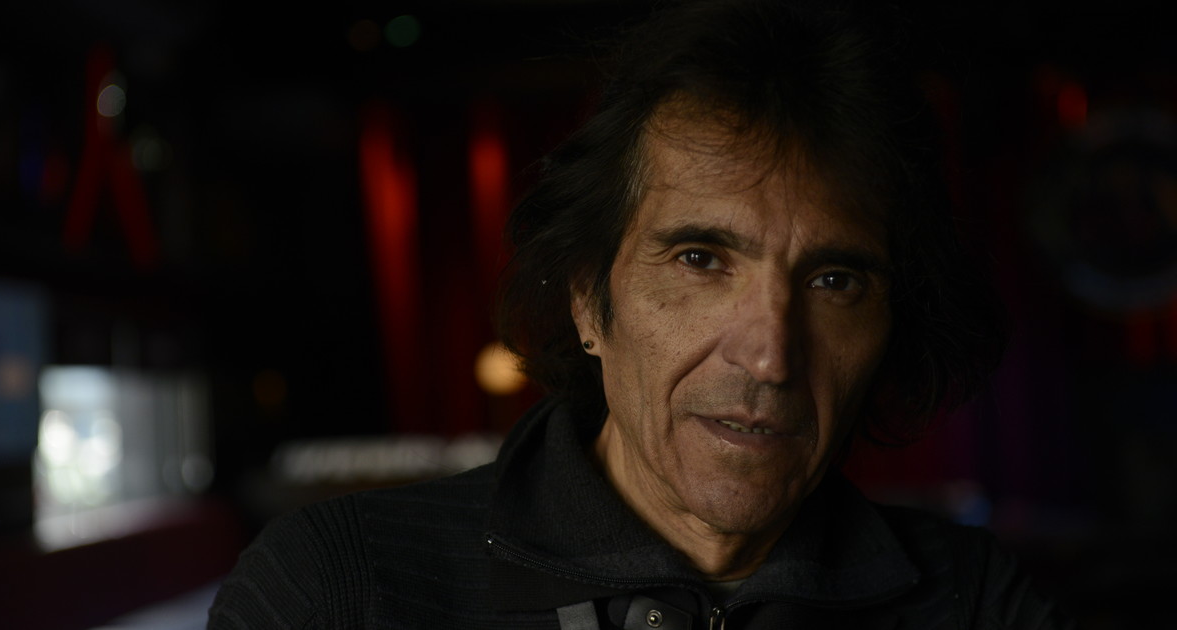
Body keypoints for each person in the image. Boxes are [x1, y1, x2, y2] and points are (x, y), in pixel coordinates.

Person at [209, 0, 1071, 627]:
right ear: (589, 299)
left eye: (835, 281)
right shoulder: (338, 590)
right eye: (699, 260)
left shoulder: (973, 602)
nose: (770, 357)